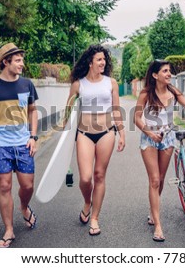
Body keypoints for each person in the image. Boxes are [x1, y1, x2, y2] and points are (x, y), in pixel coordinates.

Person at [134, 59, 185, 242]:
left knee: (161, 179)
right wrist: (149, 132)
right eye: (165, 71)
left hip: (168, 138)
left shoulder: (173, 92)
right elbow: (137, 118)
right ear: (155, 75)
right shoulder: (146, 93)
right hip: (149, 138)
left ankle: (152, 211)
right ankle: (158, 225)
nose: (169, 74)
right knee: (154, 180)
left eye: (169, 71)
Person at [0, 43, 39, 248]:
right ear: (6, 62)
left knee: (27, 185)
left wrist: (33, 136)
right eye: (18, 60)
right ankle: (9, 230)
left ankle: (23, 206)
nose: (22, 64)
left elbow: (32, 111)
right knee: (4, 186)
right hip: (0, 145)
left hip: (23, 143)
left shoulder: (26, 84)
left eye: (22, 60)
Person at [66, 44, 125, 236]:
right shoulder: (78, 84)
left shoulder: (111, 83)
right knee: (85, 178)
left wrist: (121, 133)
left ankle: (94, 218)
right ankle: (87, 202)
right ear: (90, 62)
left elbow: (116, 109)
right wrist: (65, 135)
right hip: (84, 134)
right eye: (99, 59)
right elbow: (68, 110)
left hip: (107, 132)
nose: (103, 62)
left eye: (104, 59)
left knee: (99, 175)